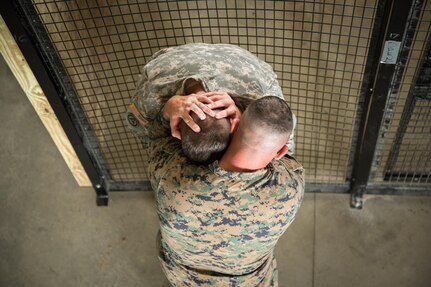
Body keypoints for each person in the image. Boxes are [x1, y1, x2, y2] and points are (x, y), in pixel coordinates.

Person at [129, 94, 304, 286]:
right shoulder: (292, 186)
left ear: (235, 126)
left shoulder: (171, 178)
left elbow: (150, 134)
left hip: (184, 278)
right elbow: (283, 144)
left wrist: (168, 109)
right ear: (280, 152)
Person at [127, 43, 296, 164]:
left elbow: (145, 134)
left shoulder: (257, 87)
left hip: (243, 61)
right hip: (171, 60)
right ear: (233, 124)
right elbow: (142, 131)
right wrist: (166, 110)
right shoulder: (150, 98)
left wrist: (245, 115)